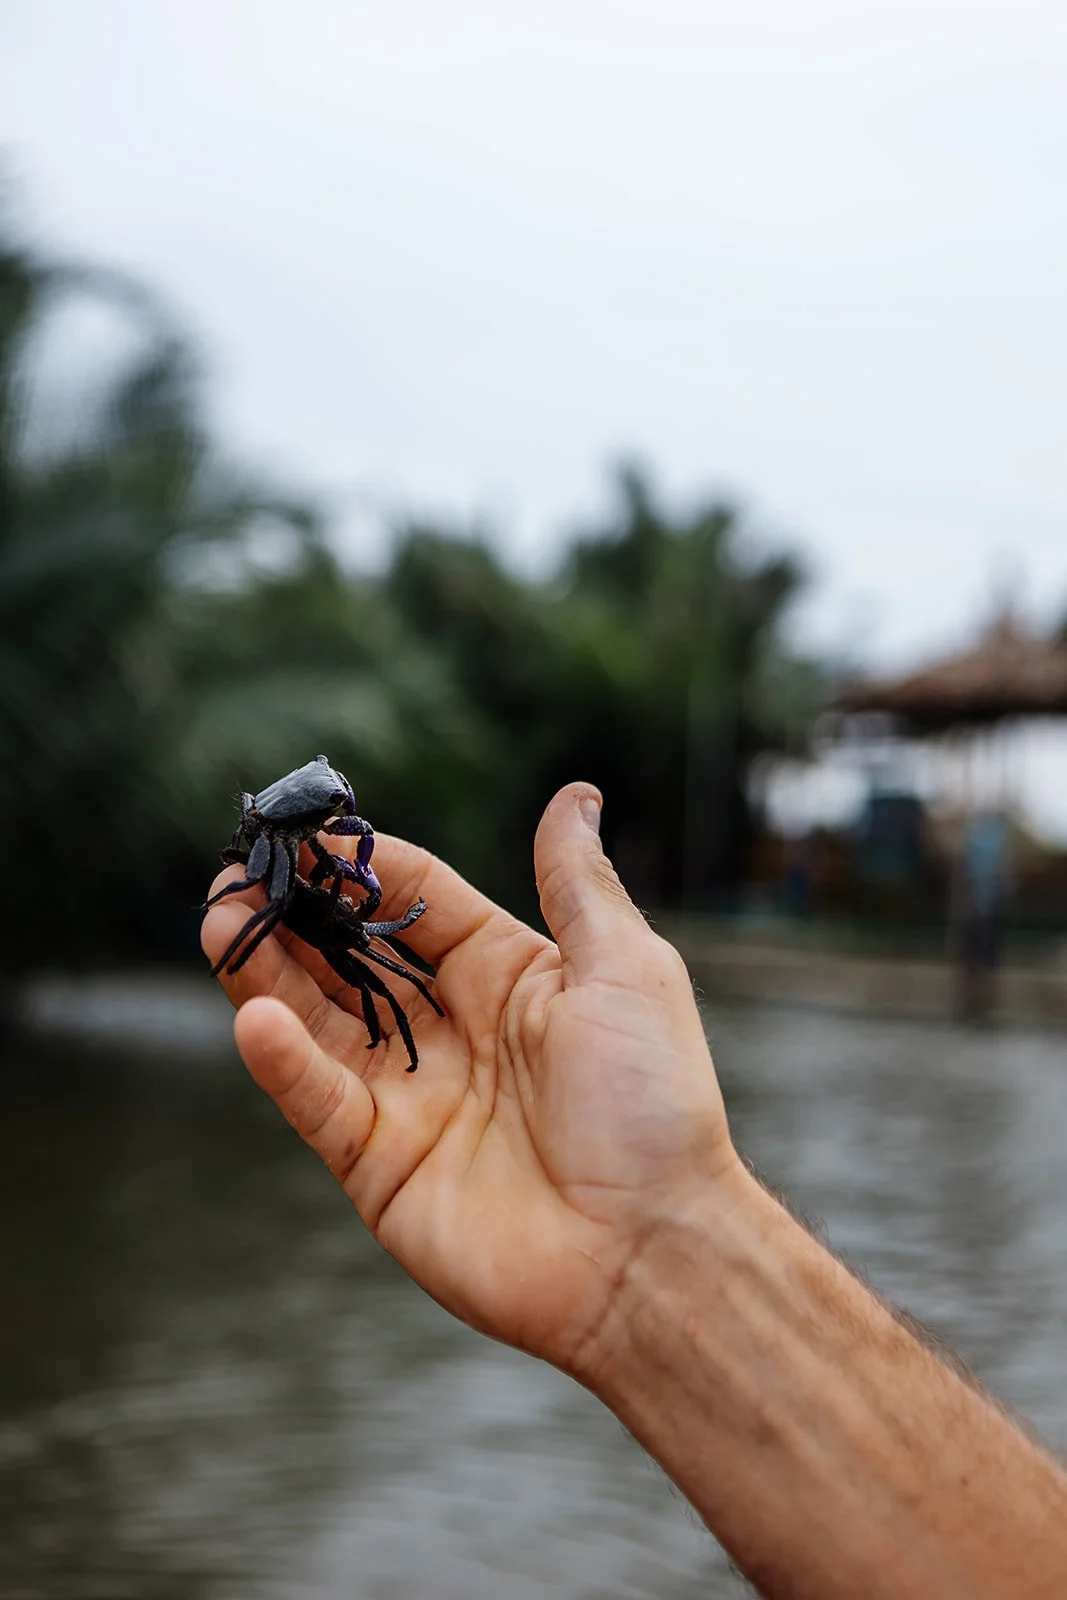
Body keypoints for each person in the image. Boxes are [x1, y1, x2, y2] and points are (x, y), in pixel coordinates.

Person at [202, 782, 1067, 1599]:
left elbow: (343, 899)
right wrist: (668, 1249)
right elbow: (311, 898)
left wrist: (661, 1236)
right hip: (314, 906)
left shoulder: (308, 853)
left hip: (330, 918)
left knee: (371, 958)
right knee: (365, 955)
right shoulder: (286, 853)